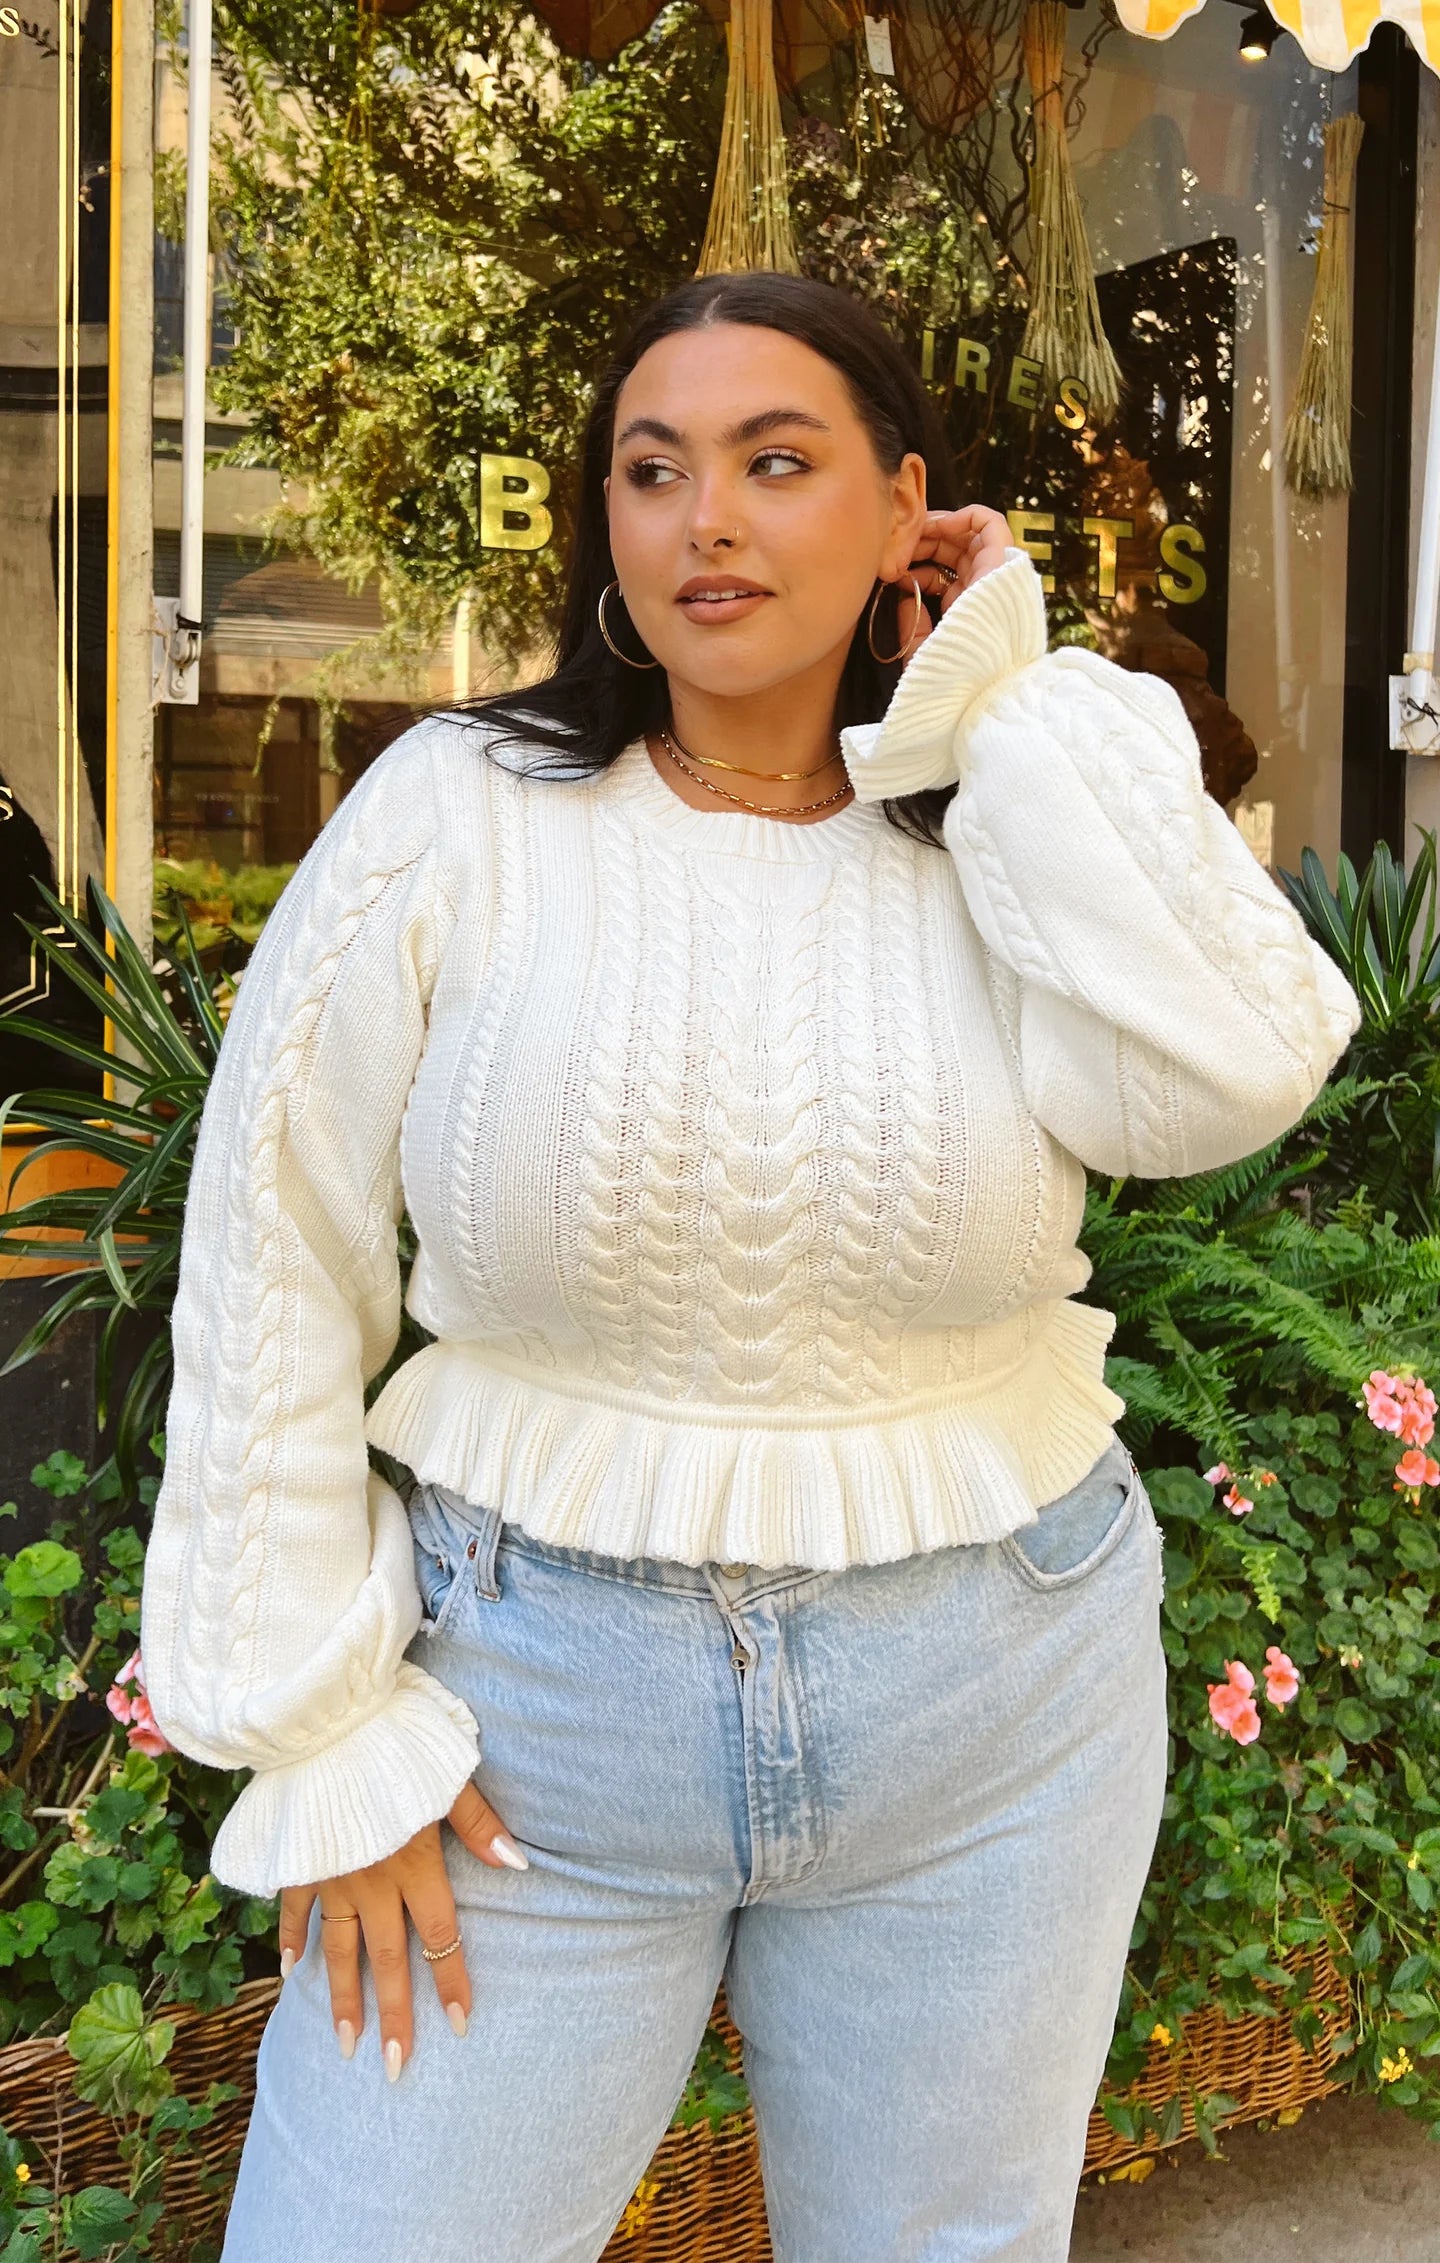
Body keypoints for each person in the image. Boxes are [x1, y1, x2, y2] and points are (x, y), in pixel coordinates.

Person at [140, 271, 1359, 2263]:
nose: (708, 517)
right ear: (607, 529)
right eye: (654, 469)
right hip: (534, 1715)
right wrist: (321, 1725)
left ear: (905, 512)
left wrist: (1006, 691)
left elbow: (1240, 1058)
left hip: (997, 1693)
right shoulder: (461, 816)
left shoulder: (997, 844)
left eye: (777, 464)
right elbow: (273, 1244)